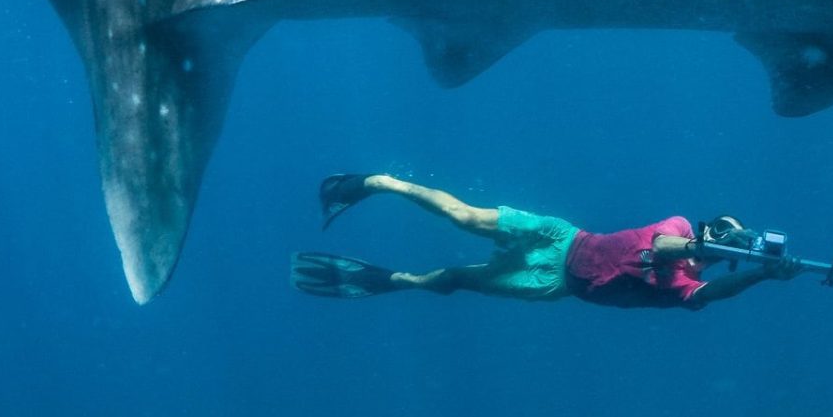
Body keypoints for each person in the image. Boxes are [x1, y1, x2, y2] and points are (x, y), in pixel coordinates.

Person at [289, 174, 802, 309]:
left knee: (454, 279)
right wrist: (698, 247)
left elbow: (708, 295)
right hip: (561, 236)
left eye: (728, 237)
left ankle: (393, 280)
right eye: (719, 228)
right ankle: (379, 182)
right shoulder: (683, 228)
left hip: (552, 281)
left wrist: (762, 273)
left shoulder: (690, 287)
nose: (718, 236)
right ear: (707, 227)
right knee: (463, 215)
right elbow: (665, 244)